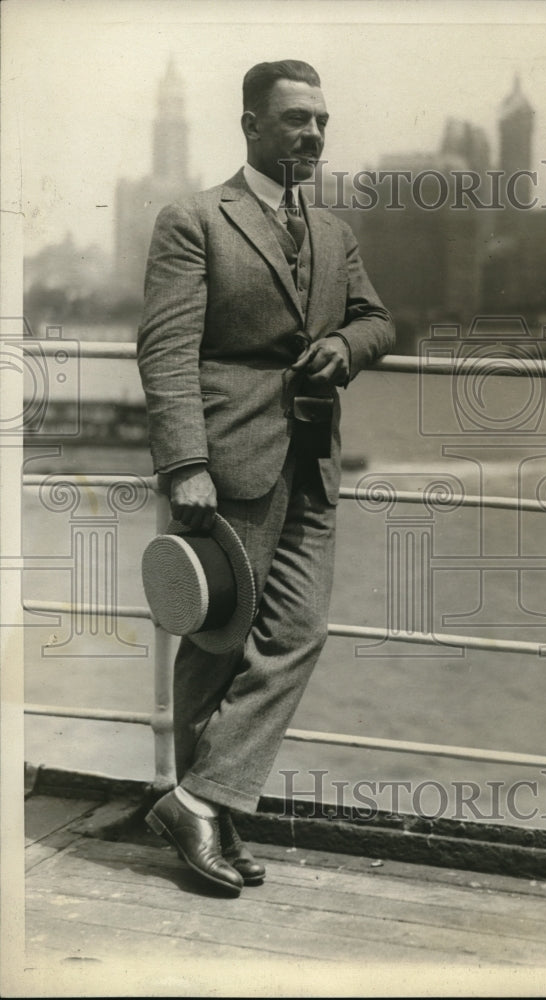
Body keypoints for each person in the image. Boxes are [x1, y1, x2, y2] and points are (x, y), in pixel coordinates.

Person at [136, 60, 395, 896]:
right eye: (295, 121)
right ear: (251, 126)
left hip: (312, 464)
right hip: (228, 461)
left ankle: (197, 801)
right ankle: (212, 819)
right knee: (214, 645)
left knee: (296, 633)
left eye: (321, 121)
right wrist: (185, 465)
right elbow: (167, 350)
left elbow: (378, 318)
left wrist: (346, 349)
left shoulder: (333, 231)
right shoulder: (194, 219)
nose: (313, 135)